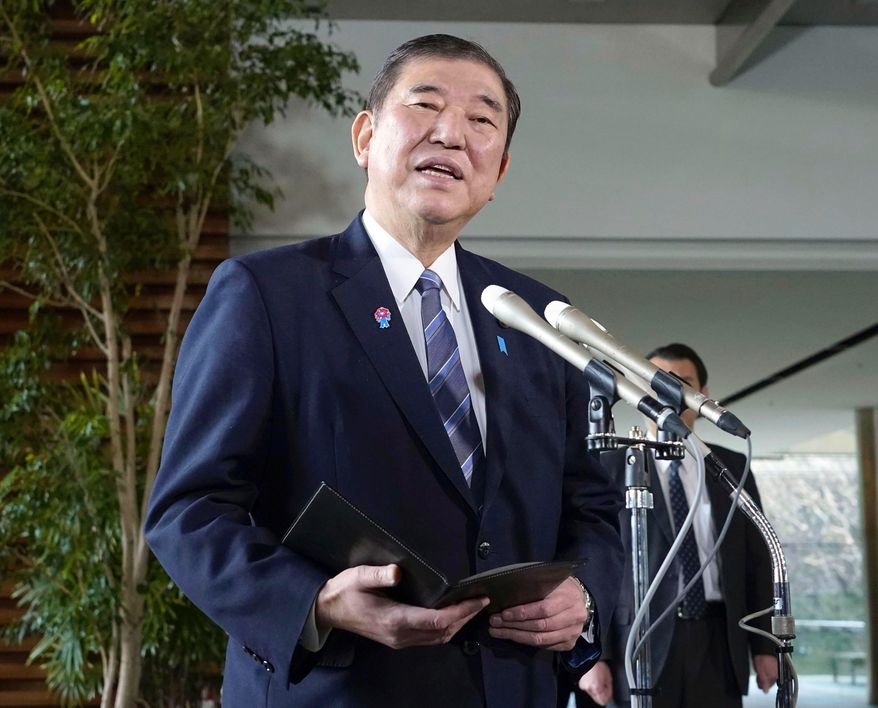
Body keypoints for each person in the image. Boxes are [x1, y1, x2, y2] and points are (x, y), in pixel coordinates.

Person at [145, 34, 625, 707]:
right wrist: (317, 601)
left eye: (482, 121)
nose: (452, 133)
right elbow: (189, 510)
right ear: (365, 136)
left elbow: (595, 508)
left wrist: (588, 594)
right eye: (425, 106)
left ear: (500, 171)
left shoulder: (539, 315)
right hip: (341, 688)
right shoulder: (266, 294)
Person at [564, 343, 779, 707]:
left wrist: (765, 645)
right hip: (634, 642)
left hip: (718, 641)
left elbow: (756, 560)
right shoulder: (608, 463)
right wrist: (591, 656)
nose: (669, 392)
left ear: (702, 395)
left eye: (682, 383)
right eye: (657, 382)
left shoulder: (731, 466)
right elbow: (585, 562)